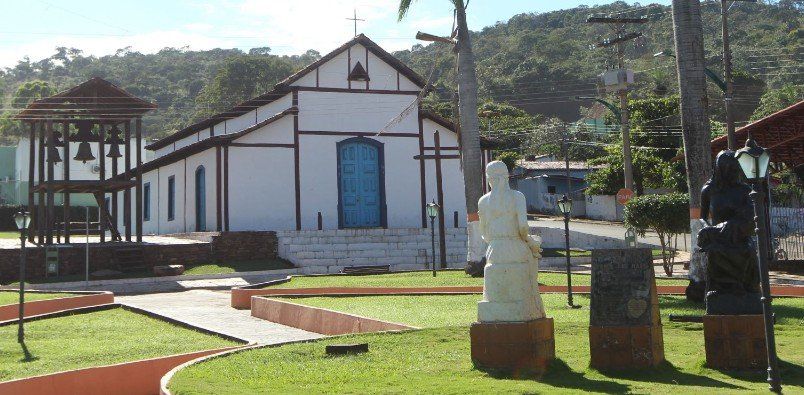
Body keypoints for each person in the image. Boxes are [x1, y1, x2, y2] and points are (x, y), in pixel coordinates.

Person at [477, 161, 545, 322]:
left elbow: (484, 233)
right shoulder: (517, 197)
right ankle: (533, 309)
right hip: (515, 247)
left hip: (493, 251)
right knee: (532, 261)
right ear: (506, 177)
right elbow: (523, 228)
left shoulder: (483, 201)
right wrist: (531, 242)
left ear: (489, 178)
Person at [698, 151, 760, 312]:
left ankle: (744, 287)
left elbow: (750, 217)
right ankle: (724, 288)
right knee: (714, 252)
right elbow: (702, 217)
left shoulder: (745, 190)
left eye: (733, 169)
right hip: (717, 236)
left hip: (738, 235)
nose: (731, 172)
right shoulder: (709, 190)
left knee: (748, 251)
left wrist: (733, 226)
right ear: (719, 169)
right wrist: (706, 229)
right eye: (727, 169)